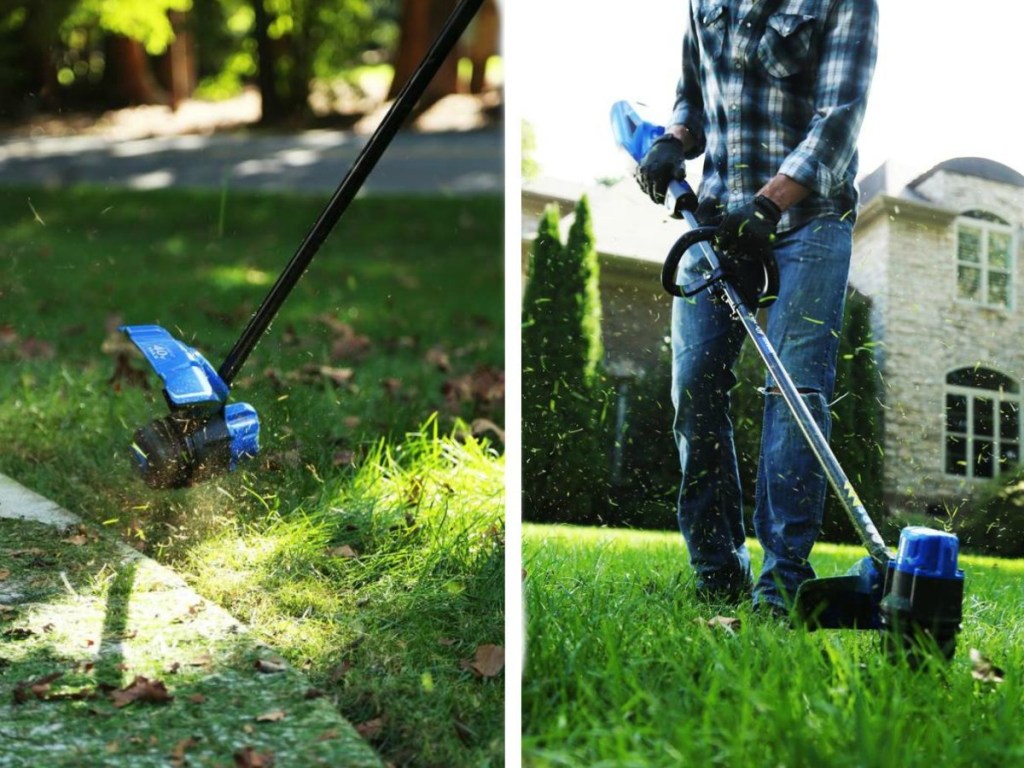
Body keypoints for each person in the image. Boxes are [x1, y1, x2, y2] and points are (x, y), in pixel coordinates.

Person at [636, 0, 879, 614]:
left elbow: (838, 120)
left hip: (809, 219)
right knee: (693, 387)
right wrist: (673, 140)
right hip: (715, 217)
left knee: (796, 391)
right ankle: (717, 570)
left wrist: (769, 205)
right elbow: (695, 97)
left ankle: (782, 581)